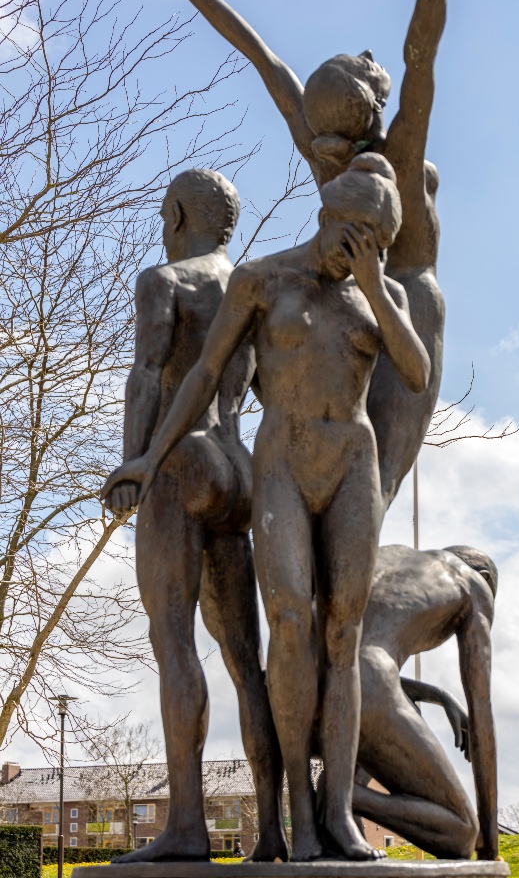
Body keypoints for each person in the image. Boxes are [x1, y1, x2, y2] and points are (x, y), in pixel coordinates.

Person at [102, 153, 430, 862]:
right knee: (279, 631)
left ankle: (326, 816)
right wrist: (147, 458)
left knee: (330, 636)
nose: (362, 253)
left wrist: (375, 284)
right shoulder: (257, 279)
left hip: (345, 461)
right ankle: (290, 828)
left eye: (377, 242)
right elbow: (207, 374)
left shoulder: (371, 295)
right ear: (329, 220)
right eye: (357, 237)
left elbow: (414, 373)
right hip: (266, 463)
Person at [107, 0, 485, 510]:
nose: (366, 53)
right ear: (368, 101)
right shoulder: (387, 153)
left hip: (398, 308)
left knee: (372, 484)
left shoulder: (351, 148)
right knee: (344, 468)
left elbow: (258, 52)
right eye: (360, 62)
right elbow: (419, 63)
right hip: (372, 294)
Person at [104, 169, 286, 864]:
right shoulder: (254, 289)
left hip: (181, 464)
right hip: (238, 467)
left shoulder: (165, 279)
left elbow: (147, 372)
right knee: (248, 661)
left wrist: (134, 463)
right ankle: (271, 831)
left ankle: (185, 825)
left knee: (173, 640)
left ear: (176, 213)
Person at [349, 543, 499, 861]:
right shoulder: (472, 583)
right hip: (358, 689)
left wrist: (441, 697)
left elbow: (350, 662)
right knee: (461, 832)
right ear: (484, 576)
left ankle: (334, 809)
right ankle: (344, 797)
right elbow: (481, 712)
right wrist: (488, 840)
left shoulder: (391, 558)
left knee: (399, 703)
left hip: (290, 683)